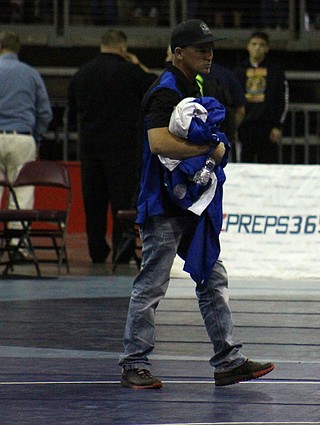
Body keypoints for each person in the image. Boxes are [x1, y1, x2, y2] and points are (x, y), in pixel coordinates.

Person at [118, 19, 274, 390]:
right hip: (164, 204)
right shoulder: (166, 90)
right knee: (152, 283)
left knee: (211, 275)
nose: (209, 53)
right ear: (178, 53)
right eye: (200, 48)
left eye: (210, 47)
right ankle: (133, 362)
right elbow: (157, 142)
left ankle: (228, 360)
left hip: (190, 201)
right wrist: (210, 149)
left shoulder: (195, 83)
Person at [68, 29, 157, 265]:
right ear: (122, 47)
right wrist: (139, 64)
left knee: (94, 203)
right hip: (123, 148)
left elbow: (73, 107)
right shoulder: (131, 71)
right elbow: (157, 87)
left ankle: (96, 251)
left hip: (90, 148)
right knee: (122, 202)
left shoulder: (81, 74)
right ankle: (122, 251)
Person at [0, 31, 53, 234]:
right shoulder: (31, 73)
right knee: (21, 195)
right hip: (22, 138)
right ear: (18, 49)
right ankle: (18, 245)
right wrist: (35, 137)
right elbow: (45, 113)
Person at [235, 31, 288, 164]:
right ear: (248, 46)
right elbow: (233, 99)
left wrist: (278, 126)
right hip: (245, 127)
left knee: (269, 167)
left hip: (267, 128)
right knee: (244, 167)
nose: (257, 48)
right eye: (254, 44)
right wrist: (234, 127)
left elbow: (282, 99)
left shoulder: (275, 71)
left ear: (267, 48)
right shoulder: (239, 71)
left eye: (261, 45)